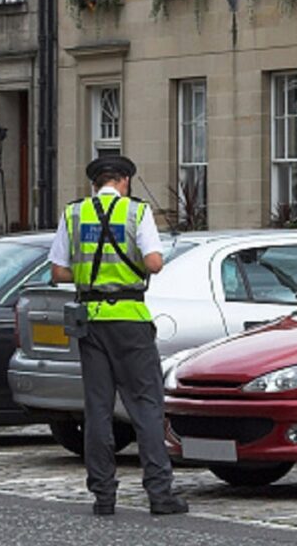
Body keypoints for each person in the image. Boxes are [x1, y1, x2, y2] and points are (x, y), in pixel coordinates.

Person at [49, 155, 188, 516]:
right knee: (146, 406)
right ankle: (159, 493)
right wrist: (131, 268)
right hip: (130, 319)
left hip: (90, 320)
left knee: (97, 409)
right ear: (124, 181)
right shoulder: (136, 212)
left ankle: (103, 495)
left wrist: (90, 276)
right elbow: (154, 263)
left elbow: (58, 272)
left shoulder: (73, 213)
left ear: (95, 183)